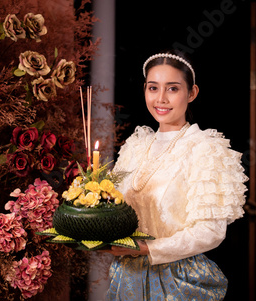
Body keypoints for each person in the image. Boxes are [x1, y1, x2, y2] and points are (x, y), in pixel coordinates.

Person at [102, 50, 248, 300]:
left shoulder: (205, 148)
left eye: (172, 89)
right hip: (126, 277)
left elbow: (210, 231)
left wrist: (148, 248)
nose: (161, 99)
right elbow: (114, 208)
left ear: (192, 93)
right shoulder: (135, 146)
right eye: (152, 88)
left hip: (177, 280)